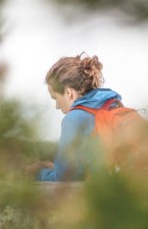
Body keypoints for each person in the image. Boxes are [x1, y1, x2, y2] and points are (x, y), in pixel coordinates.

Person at [30, 53, 122, 182]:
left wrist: (37, 173)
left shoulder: (74, 118)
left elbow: (64, 178)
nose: (57, 106)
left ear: (68, 92)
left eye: (55, 98)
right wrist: (55, 168)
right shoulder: (112, 105)